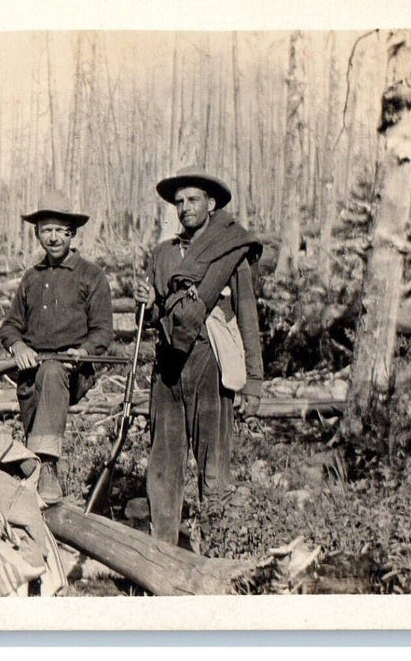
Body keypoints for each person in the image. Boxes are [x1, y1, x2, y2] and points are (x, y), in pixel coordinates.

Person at [132, 166, 264, 546]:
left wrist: (253, 381)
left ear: (211, 204)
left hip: (211, 362)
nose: (185, 207)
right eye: (179, 202)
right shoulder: (163, 254)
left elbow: (248, 317)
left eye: (192, 200)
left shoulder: (230, 253)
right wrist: (148, 303)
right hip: (169, 367)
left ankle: (218, 550)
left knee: (214, 464)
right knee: (164, 464)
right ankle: (164, 553)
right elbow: (156, 316)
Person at [0, 192, 114, 504]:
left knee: (51, 372)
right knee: (34, 381)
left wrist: (84, 350)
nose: (52, 237)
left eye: (60, 230)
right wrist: (18, 346)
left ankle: (47, 465)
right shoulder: (31, 278)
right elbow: (10, 326)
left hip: (73, 370)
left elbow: (103, 330)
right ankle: (32, 468)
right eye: (45, 230)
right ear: (38, 234)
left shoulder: (91, 275)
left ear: (71, 234)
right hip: (32, 369)